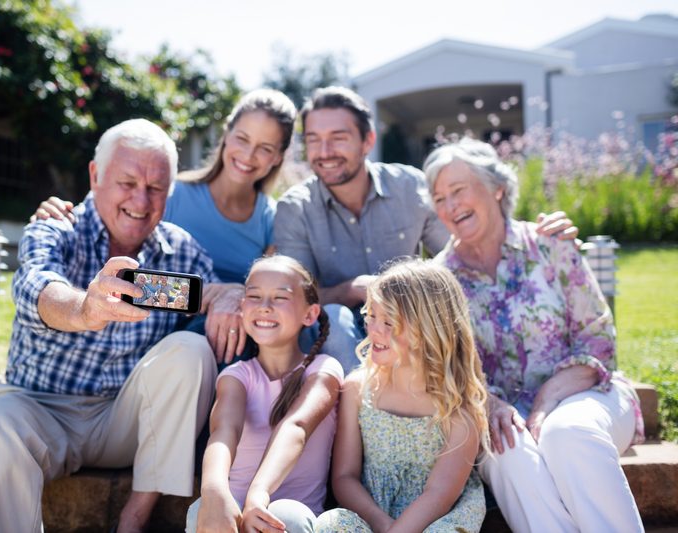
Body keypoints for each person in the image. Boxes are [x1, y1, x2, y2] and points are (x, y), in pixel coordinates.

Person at [0, 118, 245, 533]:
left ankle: (134, 518)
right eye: (127, 182)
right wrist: (85, 309)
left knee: (190, 351)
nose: (141, 200)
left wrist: (229, 294)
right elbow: (38, 289)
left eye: (156, 187)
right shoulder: (56, 228)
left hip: (122, 422)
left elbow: (207, 292)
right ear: (95, 175)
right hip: (40, 409)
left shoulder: (182, 250)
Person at [423, 137, 644, 532]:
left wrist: (545, 403)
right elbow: (448, 369)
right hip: (499, 415)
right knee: (508, 453)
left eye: (458, 190)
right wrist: (489, 403)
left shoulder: (551, 245)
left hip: (587, 394)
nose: (450, 206)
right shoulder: (441, 280)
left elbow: (598, 340)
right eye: (439, 199)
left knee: (566, 432)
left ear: (496, 186)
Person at [273, 86, 578, 372]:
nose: (324, 151)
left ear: (368, 141)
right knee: (337, 321)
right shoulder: (295, 208)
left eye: (338, 137)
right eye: (313, 139)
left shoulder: (411, 187)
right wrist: (350, 290)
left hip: (408, 319)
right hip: (333, 334)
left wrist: (540, 243)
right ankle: (366, 417)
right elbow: (299, 300)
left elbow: (463, 252)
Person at [32, 88, 297, 361]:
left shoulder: (270, 219)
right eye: (242, 138)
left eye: (265, 148)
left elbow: (266, 289)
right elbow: (110, 207)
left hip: (231, 324)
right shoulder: (170, 193)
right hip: (167, 327)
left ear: (278, 156)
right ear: (226, 133)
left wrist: (231, 295)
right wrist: (61, 211)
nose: (249, 154)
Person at [316, 259, 489, 533]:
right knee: (332, 524)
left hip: (433, 520)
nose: (373, 330)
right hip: (373, 516)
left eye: (388, 321)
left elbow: (439, 496)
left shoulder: (458, 409)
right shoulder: (358, 389)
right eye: (371, 316)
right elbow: (344, 477)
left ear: (429, 330)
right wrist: (381, 523)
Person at [186, 255, 344, 533]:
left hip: (281, 514)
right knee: (200, 509)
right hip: (233, 511)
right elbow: (224, 431)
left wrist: (258, 495)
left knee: (287, 515)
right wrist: (213, 491)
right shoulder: (237, 375)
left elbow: (295, 427)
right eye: (254, 296)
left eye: (280, 298)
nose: (265, 307)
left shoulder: (323, 370)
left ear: (310, 314)